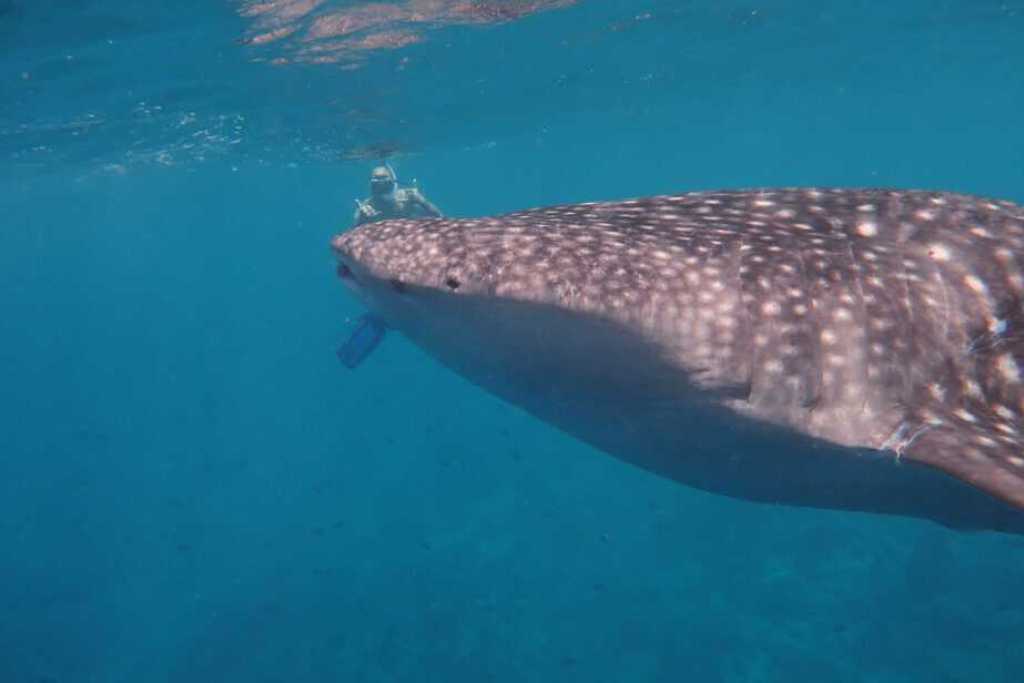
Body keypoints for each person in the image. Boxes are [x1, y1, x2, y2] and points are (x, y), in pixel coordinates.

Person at [352, 164, 443, 226]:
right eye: (376, 179)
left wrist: (421, 201)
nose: (380, 182)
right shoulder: (367, 206)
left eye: (384, 178)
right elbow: (355, 231)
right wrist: (361, 217)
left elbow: (438, 215)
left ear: (393, 181)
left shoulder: (410, 195)